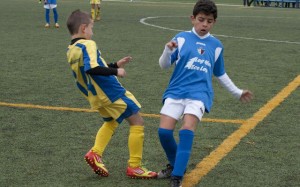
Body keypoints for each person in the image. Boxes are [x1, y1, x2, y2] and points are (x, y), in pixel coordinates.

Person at [156, 0, 254, 186]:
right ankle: (176, 164)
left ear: (214, 22)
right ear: (192, 19)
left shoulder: (216, 45)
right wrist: (167, 51)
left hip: (200, 94)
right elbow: (164, 65)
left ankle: (177, 177)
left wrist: (237, 92)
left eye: (209, 21)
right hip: (176, 91)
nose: (205, 25)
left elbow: (220, 73)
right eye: (201, 20)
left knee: (186, 129)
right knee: (164, 132)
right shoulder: (182, 38)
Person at [66, 9, 157, 179]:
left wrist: (115, 63)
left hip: (95, 95)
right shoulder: (88, 44)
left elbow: (92, 67)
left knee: (112, 122)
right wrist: (116, 71)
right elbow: (92, 68)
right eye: (92, 27)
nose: (92, 31)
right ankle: (135, 166)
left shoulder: (71, 49)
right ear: (84, 28)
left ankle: (95, 153)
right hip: (110, 91)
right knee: (137, 120)